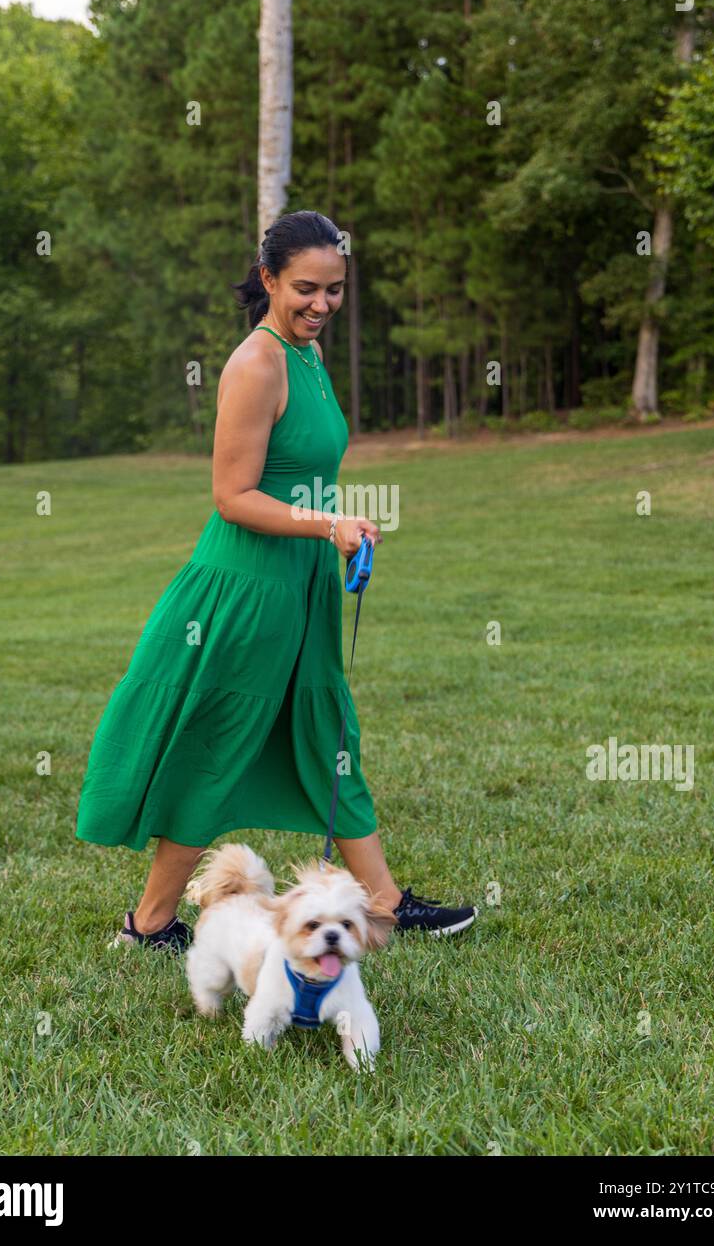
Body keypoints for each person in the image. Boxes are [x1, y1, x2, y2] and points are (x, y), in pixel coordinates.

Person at [74, 210, 477, 951]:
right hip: (244, 591)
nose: (321, 304)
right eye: (304, 289)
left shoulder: (310, 359)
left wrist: (339, 528)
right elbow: (233, 495)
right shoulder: (255, 363)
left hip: (301, 585)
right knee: (215, 744)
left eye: (335, 290)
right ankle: (152, 921)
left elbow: (306, 474)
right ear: (267, 280)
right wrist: (330, 525)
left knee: (331, 733)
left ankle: (382, 902)